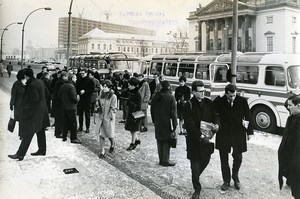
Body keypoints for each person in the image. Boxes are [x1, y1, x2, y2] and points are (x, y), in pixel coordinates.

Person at [182, 80, 219, 199]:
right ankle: (197, 188)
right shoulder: (188, 105)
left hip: (207, 140)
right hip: (194, 140)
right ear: (193, 92)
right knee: (195, 165)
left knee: (206, 160)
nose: (203, 93)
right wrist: (200, 136)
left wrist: (217, 125)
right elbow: (189, 124)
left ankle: (196, 176)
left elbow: (216, 116)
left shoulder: (209, 102)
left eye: (204, 91)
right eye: (200, 91)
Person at [213, 83, 253, 191]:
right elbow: (212, 107)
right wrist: (220, 96)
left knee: (238, 157)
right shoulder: (220, 101)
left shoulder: (242, 101)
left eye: (234, 95)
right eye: (230, 96)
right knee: (224, 159)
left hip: (238, 133)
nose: (232, 98)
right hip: (224, 133)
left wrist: (249, 132)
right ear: (226, 94)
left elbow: (248, 116)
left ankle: (235, 176)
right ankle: (226, 180)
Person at [8, 68, 50, 161]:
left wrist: (26, 109)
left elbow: (34, 100)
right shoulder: (40, 82)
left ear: (27, 76)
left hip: (34, 114)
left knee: (28, 133)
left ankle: (20, 154)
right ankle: (42, 150)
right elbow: (46, 94)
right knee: (40, 131)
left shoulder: (32, 85)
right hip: (42, 111)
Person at [150, 80, 177, 166]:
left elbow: (152, 111)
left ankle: (161, 160)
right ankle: (165, 161)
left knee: (159, 140)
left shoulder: (154, 96)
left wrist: (154, 120)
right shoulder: (171, 97)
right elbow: (173, 113)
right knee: (166, 141)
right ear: (168, 87)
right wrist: (175, 124)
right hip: (167, 122)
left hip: (158, 121)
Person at [278, 95, 300, 199]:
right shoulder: (291, 119)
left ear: (298, 106)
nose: (288, 107)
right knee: (295, 192)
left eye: (290, 105)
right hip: (293, 164)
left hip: (297, 164)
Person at [95, 80, 117, 159]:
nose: (103, 88)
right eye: (103, 86)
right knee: (101, 134)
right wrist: (97, 108)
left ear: (109, 87)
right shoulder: (101, 95)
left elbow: (114, 107)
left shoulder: (113, 96)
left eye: (105, 87)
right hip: (101, 117)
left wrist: (110, 114)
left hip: (108, 118)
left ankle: (112, 143)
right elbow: (97, 104)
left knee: (109, 134)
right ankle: (102, 151)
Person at [57, 73, 81, 144]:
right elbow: (73, 98)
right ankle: (73, 138)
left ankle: (64, 136)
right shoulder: (72, 86)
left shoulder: (63, 86)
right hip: (71, 107)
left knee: (65, 122)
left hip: (64, 107)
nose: (76, 79)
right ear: (72, 79)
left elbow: (59, 96)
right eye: (75, 78)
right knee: (73, 124)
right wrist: (77, 99)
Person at [125, 77, 142, 151]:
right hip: (131, 113)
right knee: (131, 129)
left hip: (136, 114)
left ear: (133, 85)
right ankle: (137, 140)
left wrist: (130, 103)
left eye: (129, 85)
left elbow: (138, 105)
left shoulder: (137, 94)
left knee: (134, 129)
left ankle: (132, 143)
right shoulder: (131, 92)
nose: (128, 86)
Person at [76, 68, 95, 133]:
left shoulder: (90, 81)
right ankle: (80, 127)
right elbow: (76, 89)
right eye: (81, 74)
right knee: (80, 114)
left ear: (86, 73)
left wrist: (85, 91)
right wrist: (78, 93)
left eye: (83, 73)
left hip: (87, 99)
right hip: (81, 99)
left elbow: (92, 90)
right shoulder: (79, 81)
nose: (82, 75)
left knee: (87, 114)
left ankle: (87, 127)